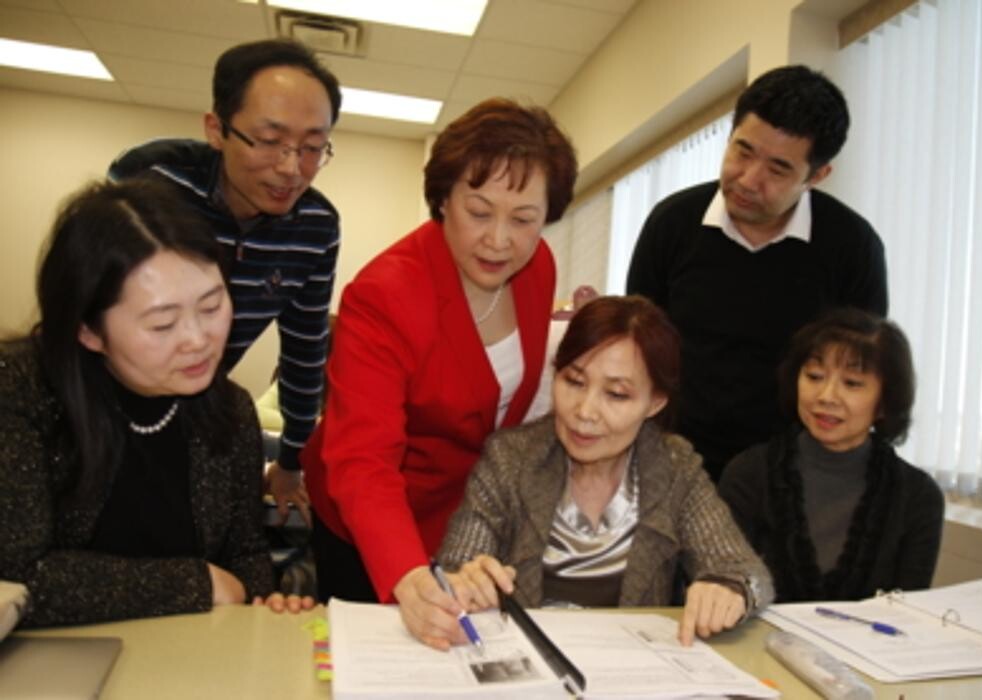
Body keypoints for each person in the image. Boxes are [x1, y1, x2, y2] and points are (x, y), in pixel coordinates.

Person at [300, 98, 578, 615]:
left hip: (465, 515)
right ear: (444, 199)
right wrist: (407, 574)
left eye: (524, 219)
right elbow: (362, 459)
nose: (499, 240)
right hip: (372, 522)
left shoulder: (537, 266)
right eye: (479, 212)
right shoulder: (385, 294)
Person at [0, 178, 311, 628]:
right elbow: (17, 576)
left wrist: (265, 607)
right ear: (88, 330)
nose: (198, 340)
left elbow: (244, 554)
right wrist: (198, 582)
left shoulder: (230, 409)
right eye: (163, 324)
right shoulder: (18, 392)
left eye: (211, 307)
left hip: (188, 653)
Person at [430, 296, 773, 650]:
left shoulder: (674, 467)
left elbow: (745, 570)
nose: (585, 411)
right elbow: (456, 564)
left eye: (616, 394)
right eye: (574, 381)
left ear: (655, 402)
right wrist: (466, 579)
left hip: (630, 667)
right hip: (525, 662)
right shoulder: (511, 458)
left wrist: (730, 589)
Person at [108, 39, 342, 525]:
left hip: (199, 409)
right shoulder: (152, 186)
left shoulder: (316, 226)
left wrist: (292, 459)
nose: (290, 168)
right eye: (270, 140)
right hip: (101, 403)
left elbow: (305, 350)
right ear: (216, 129)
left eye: (312, 148)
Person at [626, 65, 888, 483]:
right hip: (673, 463)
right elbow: (637, 349)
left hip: (789, 476)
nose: (748, 180)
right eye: (742, 151)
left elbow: (860, 370)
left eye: (778, 169)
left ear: (817, 176)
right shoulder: (672, 223)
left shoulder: (852, 247)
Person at [718, 307, 944, 602]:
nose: (826, 396)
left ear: (885, 402)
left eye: (852, 383)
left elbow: (907, 611)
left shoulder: (918, 497)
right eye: (814, 376)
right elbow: (721, 582)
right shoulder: (748, 474)